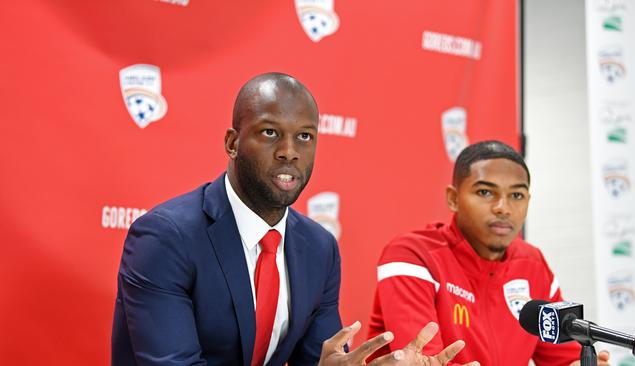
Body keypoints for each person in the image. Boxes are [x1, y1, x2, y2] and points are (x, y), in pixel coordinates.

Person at [111, 72, 477, 366]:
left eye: (304, 137)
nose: (289, 152)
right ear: (232, 143)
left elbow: (318, 360)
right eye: (270, 133)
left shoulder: (318, 248)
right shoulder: (166, 237)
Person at [367, 141, 610, 366]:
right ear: (453, 199)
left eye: (516, 195)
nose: (503, 208)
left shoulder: (533, 264)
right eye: (485, 192)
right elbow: (423, 362)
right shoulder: (413, 255)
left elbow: (563, 360)